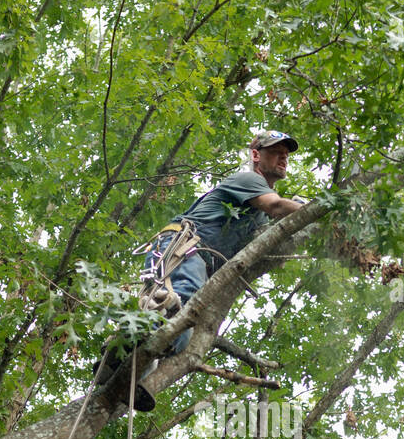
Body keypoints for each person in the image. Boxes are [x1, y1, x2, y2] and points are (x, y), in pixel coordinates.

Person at [97, 131, 306, 411]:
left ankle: (122, 370)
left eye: (286, 153)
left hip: (199, 261)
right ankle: (122, 346)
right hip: (186, 247)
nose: (283, 157)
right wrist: (316, 209)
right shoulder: (249, 180)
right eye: (275, 151)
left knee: (179, 336)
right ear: (256, 155)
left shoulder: (256, 215)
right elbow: (277, 206)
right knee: (174, 305)